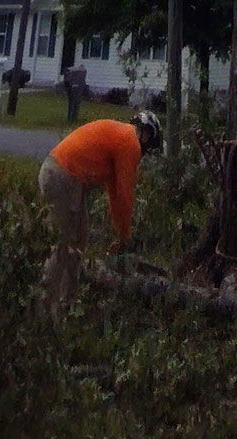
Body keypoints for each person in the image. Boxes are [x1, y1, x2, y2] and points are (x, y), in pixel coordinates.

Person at [39, 112, 159, 310]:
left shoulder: (120, 138)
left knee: (79, 240)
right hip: (64, 177)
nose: (144, 152)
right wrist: (125, 237)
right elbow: (126, 195)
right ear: (146, 134)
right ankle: (46, 304)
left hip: (62, 175)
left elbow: (115, 195)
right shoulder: (130, 142)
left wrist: (120, 233)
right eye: (149, 145)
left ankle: (67, 303)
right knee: (64, 243)